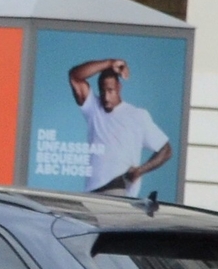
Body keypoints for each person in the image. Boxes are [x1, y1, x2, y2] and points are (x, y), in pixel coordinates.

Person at [68, 56, 173, 195]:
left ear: (119, 88)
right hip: (91, 193)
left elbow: (166, 150)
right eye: (103, 91)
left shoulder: (137, 115)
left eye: (110, 91)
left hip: (118, 189)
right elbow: (75, 76)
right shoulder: (94, 109)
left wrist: (139, 171)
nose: (106, 97)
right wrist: (109, 63)